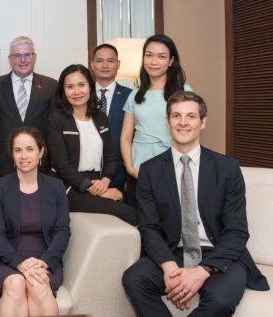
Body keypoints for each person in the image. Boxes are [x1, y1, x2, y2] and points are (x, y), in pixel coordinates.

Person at [122, 92, 268, 317]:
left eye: (190, 116)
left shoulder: (227, 168)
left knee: (220, 300)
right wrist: (168, 264)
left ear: (202, 122)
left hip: (220, 256)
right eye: (176, 116)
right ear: (168, 122)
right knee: (134, 278)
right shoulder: (150, 170)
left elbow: (237, 232)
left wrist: (202, 271)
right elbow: (148, 228)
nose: (183, 122)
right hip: (173, 252)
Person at [0, 127, 70, 317]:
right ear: (12, 155)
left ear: (41, 151)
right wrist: (20, 264)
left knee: (38, 285)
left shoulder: (56, 187)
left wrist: (45, 262)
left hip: (45, 260)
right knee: (16, 283)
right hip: (6, 260)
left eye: (30, 149)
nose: (24, 156)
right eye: (18, 150)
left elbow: (63, 230)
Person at [46, 65, 136, 225]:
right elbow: (61, 165)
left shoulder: (100, 117)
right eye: (70, 87)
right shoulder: (56, 120)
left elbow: (110, 157)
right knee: (129, 214)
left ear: (90, 86)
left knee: (125, 203)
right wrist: (92, 188)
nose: (76, 91)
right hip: (68, 185)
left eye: (81, 85)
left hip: (99, 181)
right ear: (63, 92)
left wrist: (106, 182)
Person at [121, 34, 191, 206]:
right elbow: (126, 137)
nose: (153, 61)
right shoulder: (135, 94)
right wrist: (130, 167)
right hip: (139, 169)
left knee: (170, 223)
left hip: (172, 168)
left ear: (171, 61)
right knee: (139, 224)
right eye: (149, 55)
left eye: (161, 57)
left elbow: (191, 134)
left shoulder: (184, 91)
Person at [0, 36, 57, 177]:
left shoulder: (51, 86)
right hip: (5, 161)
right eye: (17, 55)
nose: (23, 60)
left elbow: (54, 129)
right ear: (10, 59)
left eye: (27, 55)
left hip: (40, 163)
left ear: (34, 57)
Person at [90, 43, 132, 191]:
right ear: (92, 64)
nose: (105, 65)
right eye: (100, 60)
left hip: (121, 173)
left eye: (110, 60)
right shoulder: (82, 95)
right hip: (88, 174)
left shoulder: (131, 96)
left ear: (118, 64)